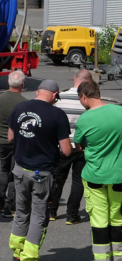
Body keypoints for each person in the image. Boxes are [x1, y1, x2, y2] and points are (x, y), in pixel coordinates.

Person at [6, 79, 71, 261]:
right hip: (41, 173)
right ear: (54, 94)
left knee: (21, 212)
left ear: (38, 91)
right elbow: (66, 150)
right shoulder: (57, 114)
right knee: (39, 216)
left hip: (20, 169)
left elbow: (10, 137)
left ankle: (17, 257)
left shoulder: (20, 107)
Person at [74, 80, 122, 261]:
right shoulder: (119, 112)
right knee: (118, 221)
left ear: (84, 96)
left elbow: (79, 143)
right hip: (119, 175)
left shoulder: (85, 119)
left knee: (100, 223)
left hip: (95, 176)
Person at [49, 69, 93, 223]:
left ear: (75, 79)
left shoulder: (61, 97)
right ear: (89, 82)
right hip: (81, 146)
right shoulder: (87, 100)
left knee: (58, 178)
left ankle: (52, 211)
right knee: (77, 181)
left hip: (62, 145)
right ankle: (72, 214)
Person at [0, 70, 26, 217]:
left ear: (8, 82)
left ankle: (0, 202)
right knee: (15, 173)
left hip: (2, 138)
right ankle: (9, 205)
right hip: (18, 141)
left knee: (4, 170)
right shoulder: (24, 103)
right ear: (22, 84)